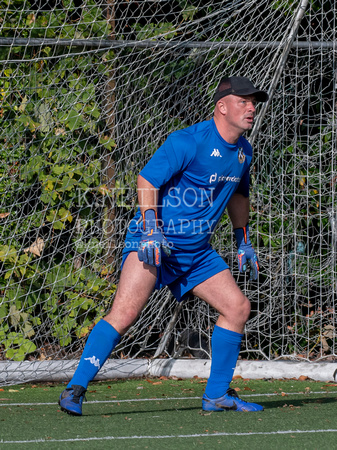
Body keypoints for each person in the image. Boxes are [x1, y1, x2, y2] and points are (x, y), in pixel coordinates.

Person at [59, 76, 269, 416]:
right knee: (125, 314)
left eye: (253, 102)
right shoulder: (188, 141)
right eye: (244, 100)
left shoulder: (244, 152)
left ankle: (216, 396)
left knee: (237, 308)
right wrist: (152, 231)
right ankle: (76, 389)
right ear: (222, 106)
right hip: (154, 242)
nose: (251, 107)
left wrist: (243, 239)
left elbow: (240, 195)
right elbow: (147, 179)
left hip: (196, 252)